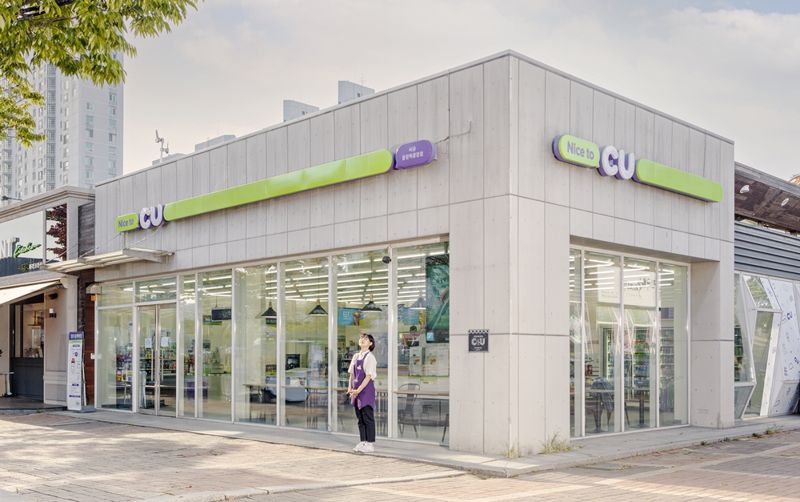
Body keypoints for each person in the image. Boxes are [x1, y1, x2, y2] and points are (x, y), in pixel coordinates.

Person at [348, 333, 377, 453]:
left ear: (370, 343)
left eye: (366, 339)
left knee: (367, 417)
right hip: (356, 392)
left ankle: (370, 444)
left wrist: (358, 390)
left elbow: (368, 376)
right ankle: (363, 441)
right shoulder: (356, 356)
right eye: (361, 338)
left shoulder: (370, 357)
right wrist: (350, 388)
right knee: (360, 418)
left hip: (366, 391)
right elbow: (351, 374)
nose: (362, 340)